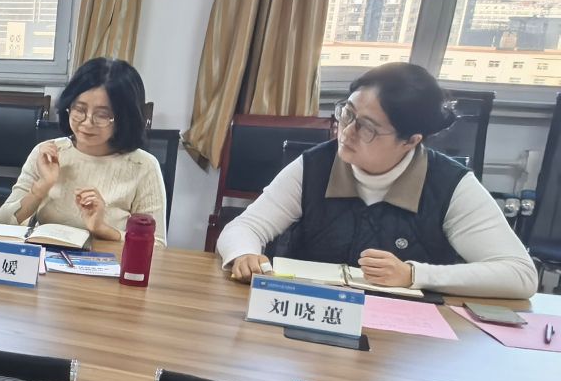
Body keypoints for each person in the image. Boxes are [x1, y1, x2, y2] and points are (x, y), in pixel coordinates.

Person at [218, 62, 535, 297]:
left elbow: (519, 275)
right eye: (347, 113)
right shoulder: (315, 165)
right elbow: (245, 227)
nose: (347, 132)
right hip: (311, 317)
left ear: (410, 140)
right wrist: (244, 253)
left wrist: (413, 274)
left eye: (367, 128)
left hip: (404, 337)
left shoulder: (450, 184)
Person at [0, 58, 168, 246]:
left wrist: (102, 229)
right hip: (46, 258)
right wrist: (41, 188)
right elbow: (1, 222)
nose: (87, 122)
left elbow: (157, 244)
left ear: (124, 118)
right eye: (79, 109)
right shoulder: (47, 153)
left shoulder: (143, 166)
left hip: (108, 261)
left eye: (102, 114)